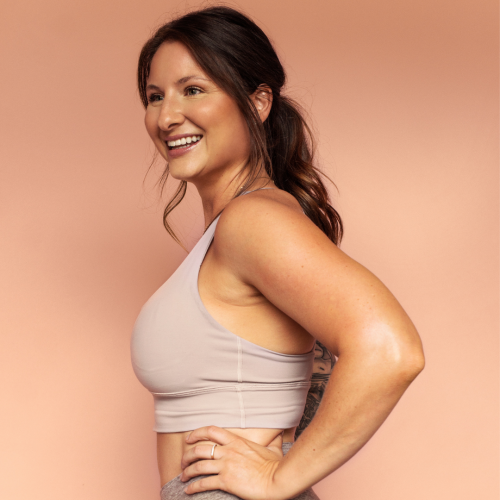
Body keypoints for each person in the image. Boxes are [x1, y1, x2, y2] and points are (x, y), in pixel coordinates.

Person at [130, 6, 425, 500]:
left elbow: (390, 349)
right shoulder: (239, 225)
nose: (166, 116)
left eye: (193, 90)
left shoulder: (252, 222)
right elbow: (316, 370)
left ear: (259, 102)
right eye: (155, 96)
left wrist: (278, 477)